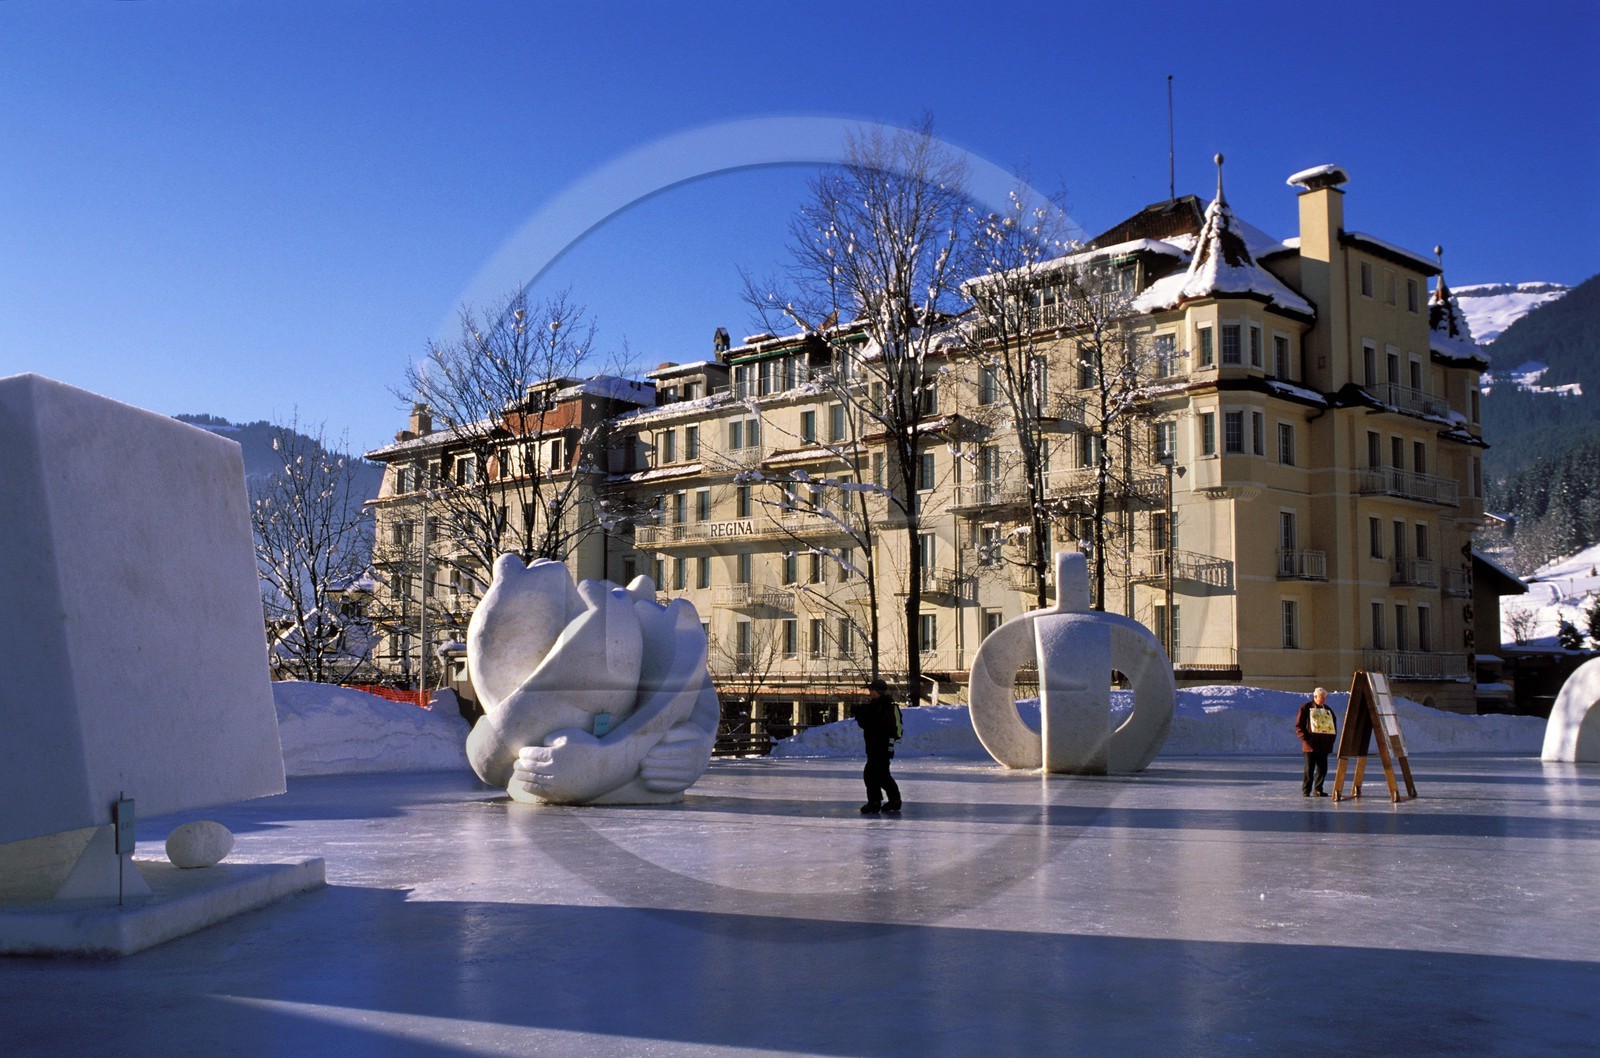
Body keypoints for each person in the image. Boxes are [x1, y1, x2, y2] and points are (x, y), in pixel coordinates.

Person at [853, 678, 902, 814]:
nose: (869, 692)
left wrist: (860, 716)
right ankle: (893, 801)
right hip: (879, 747)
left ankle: (875, 802)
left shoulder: (882, 706)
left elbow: (873, 726)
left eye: (871, 690)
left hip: (880, 747)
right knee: (881, 775)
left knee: (872, 774)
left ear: (876, 691)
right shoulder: (881, 705)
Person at [1295, 686, 1337, 797]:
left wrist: (1331, 740)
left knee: (1322, 768)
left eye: (1325, 698)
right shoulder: (1306, 708)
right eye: (1321, 697)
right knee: (1309, 769)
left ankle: (1318, 789)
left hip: (1323, 745)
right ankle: (1306, 790)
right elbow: (1299, 725)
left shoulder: (1328, 710)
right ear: (1315, 697)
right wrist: (1304, 738)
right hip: (1310, 744)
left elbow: (1333, 726)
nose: (1323, 700)